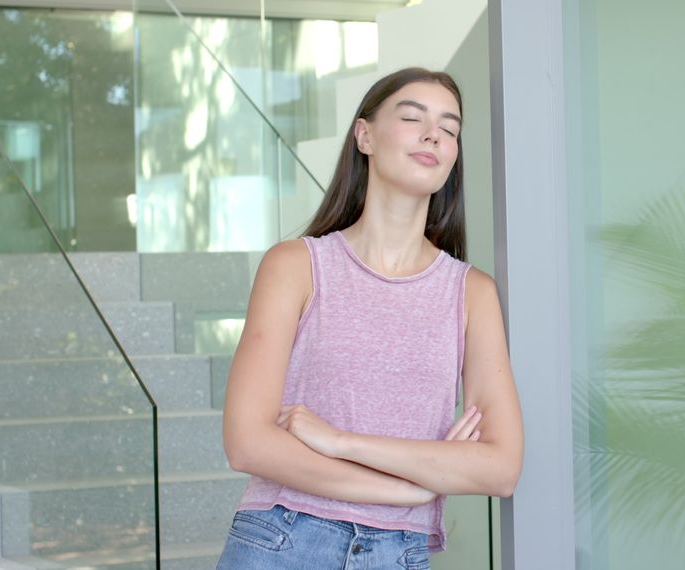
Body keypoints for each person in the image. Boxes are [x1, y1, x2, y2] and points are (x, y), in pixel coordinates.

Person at [217, 67, 524, 569]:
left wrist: (340, 442)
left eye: (449, 129)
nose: (434, 135)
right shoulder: (295, 266)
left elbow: (500, 467)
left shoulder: (472, 293)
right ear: (365, 136)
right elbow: (246, 443)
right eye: (413, 118)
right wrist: (408, 490)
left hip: (398, 554)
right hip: (284, 538)